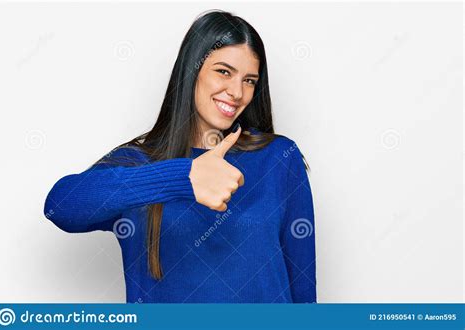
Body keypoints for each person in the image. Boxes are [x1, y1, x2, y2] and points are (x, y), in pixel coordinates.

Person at [44, 9, 316, 303]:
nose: (237, 92)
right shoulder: (140, 162)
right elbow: (59, 206)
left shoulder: (278, 158)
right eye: (223, 71)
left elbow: (303, 288)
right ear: (192, 70)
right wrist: (180, 177)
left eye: (249, 80)